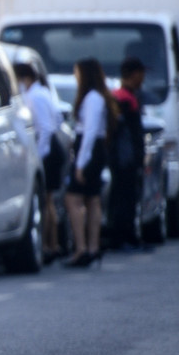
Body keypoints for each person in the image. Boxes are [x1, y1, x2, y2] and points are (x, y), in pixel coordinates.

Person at [63, 58, 119, 267]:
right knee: (92, 198)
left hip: (90, 150)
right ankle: (92, 247)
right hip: (93, 149)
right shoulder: (96, 97)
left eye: (77, 73)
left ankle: (82, 247)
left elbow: (90, 132)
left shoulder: (93, 98)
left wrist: (80, 163)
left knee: (73, 198)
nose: (76, 77)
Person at [14, 62, 65, 263]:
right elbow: (58, 120)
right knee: (48, 200)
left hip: (48, 150)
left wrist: (40, 155)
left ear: (24, 78)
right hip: (52, 148)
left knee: (47, 200)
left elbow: (46, 128)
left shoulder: (35, 96)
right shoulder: (43, 92)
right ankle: (52, 244)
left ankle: (49, 245)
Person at [107, 56, 147, 250]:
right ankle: (122, 237)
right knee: (125, 198)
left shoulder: (122, 96)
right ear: (134, 74)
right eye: (141, 74)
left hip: (123, 158)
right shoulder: (124, 99)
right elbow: (127, 135)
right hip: (126, 158)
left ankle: (125, 236)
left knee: (125, 197)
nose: (143, 78)